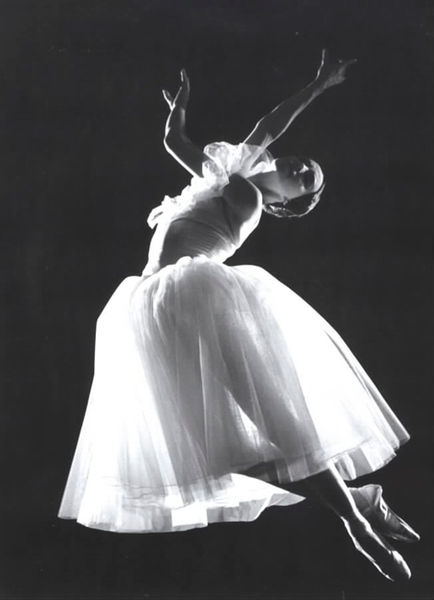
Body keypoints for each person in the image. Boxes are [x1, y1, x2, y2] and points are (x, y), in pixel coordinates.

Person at [58, 50, 419, 582]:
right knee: (239, 453)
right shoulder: (220, 184)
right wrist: (177, 112)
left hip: (199, 298)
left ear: (286, 204)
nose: (300, 169)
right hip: (155, 306)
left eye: (306, 181)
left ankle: (358, 523)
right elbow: (173, 145)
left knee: (273, 433)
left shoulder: (245, 193)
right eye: (305, 164)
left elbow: (263, 128)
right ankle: (361, 502)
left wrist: (317, 85)